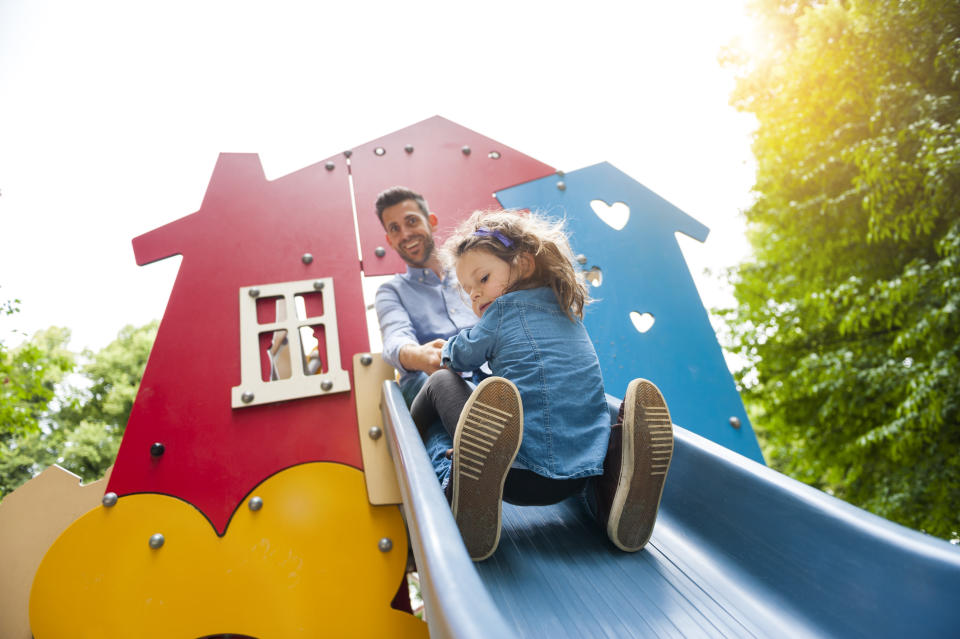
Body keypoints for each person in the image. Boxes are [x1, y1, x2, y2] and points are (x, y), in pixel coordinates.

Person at [410, 209, 675, 560]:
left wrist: (446, 352)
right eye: (468, 290)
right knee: (554, 404)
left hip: (514, 473)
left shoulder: (500, 313)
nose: (475, 296)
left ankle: (451, 484)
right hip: (580, 473)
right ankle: (611, 481)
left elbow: (461, 357)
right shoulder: (569, 315)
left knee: (441, 383)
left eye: (483, 278)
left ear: (523, 265)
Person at [373, 187, 479, 406]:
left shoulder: (471, 270)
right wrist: (419, 355)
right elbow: (395, 337)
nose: (405, 234)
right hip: (434, 385)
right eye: (395, 229)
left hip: (491, 374)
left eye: (411, 221)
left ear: (431, 221)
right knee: (441, 383)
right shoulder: (391, 292)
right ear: (389, 240)